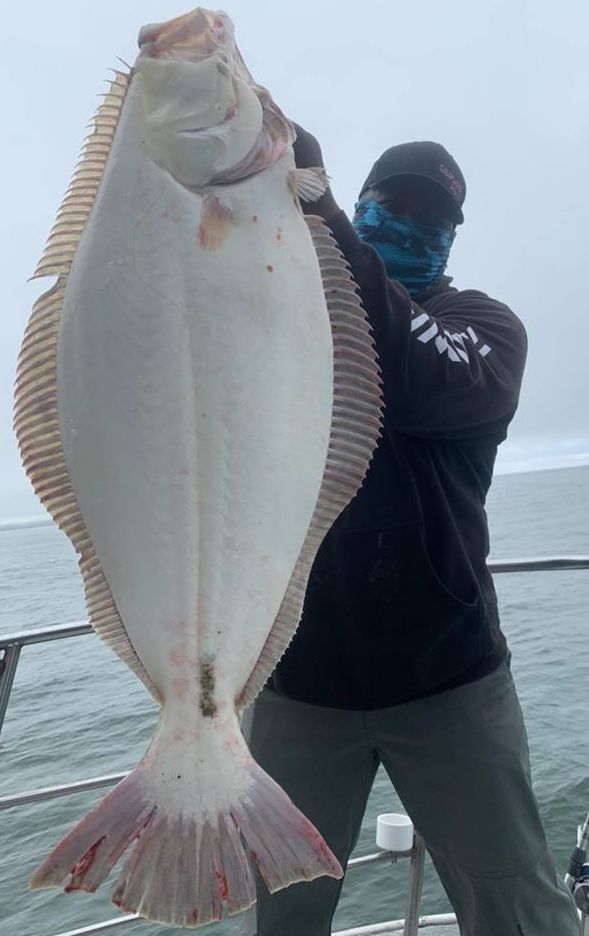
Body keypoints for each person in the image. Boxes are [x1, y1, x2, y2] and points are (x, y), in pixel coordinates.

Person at [240, 128, 581, 936]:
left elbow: (417, 376)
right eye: (391, 207)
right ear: (362, 201)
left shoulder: (484, 329)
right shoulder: (285, 322)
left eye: (432, 221)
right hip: (297, 690)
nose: (409, 227)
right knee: (282, 915)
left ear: (452, 239)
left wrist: (322, 217)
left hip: (450, 683)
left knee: (515, 902)